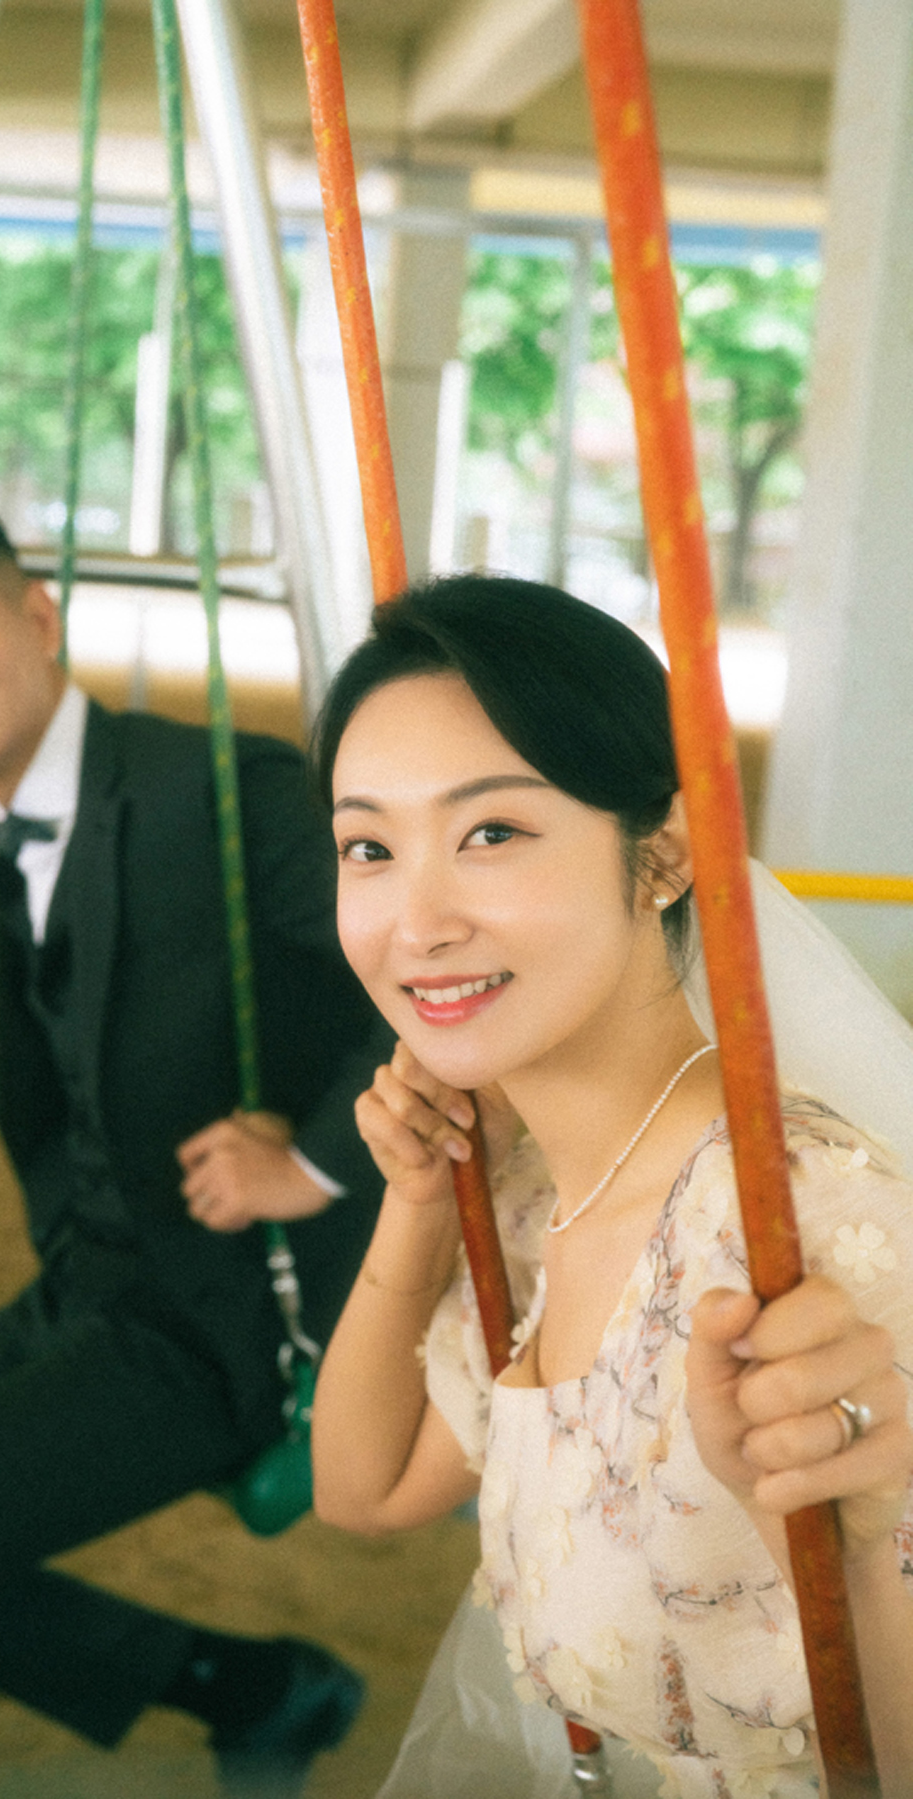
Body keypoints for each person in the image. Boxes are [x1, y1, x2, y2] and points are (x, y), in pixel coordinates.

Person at [0, 492, 391, 1798]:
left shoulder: (221, 790)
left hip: (222, 1316)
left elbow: (424, 991)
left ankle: (256, 1686)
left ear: (39, 614)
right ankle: (254, 1689)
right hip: (89, 1278)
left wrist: (311, 1161)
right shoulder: (19, 830)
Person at [308, 574, 913, 1796]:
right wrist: (423, 1200)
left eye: (491, 831)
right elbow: (363, 1488)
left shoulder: (795, 1224)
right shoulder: (538, 1192)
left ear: (665, 852)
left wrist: (858, 1544)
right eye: (369, 846)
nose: (416, 921)